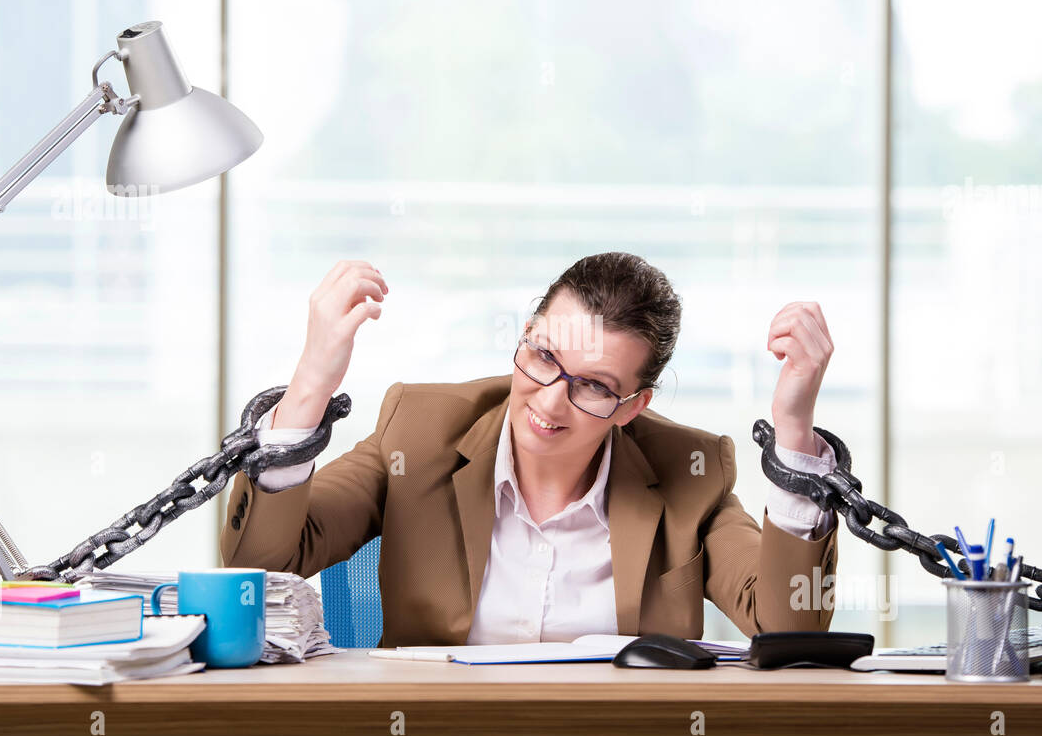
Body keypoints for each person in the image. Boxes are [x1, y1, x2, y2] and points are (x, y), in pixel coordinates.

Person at [220, 252, 840, 647]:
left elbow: (790, 628)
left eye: (594, 386)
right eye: (544, 357)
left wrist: (794, 431)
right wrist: (309, 386)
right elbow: (260, 560)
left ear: (633, 407)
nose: (548, 402)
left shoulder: (689, 473)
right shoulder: (419, 430)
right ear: (527, 336)